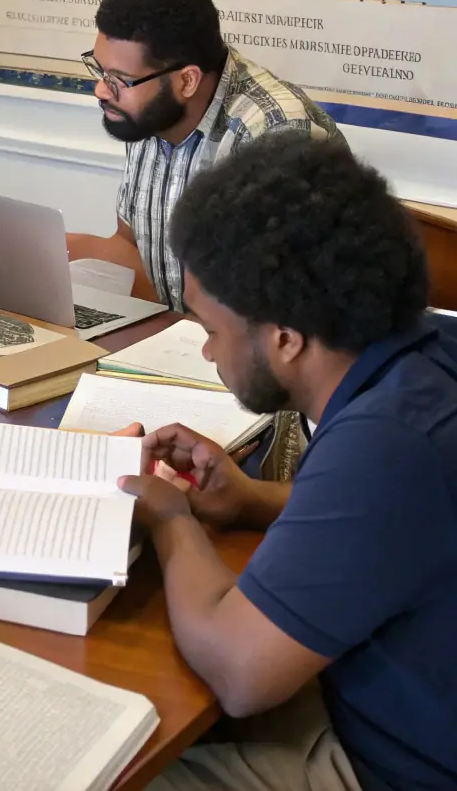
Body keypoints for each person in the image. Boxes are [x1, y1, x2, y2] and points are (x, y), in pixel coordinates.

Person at [117, 135, 457, 791]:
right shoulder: (428, 353)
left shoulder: (386, 443)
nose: (208, 351)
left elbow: (238, 670)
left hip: (395, 764)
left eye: (211, 329)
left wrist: (170, 518)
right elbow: (394, 525)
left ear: (284, 338)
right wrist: (249, 499)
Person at [70, 0, 341, 310]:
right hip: (184, 336)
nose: (101, 90)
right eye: (100, 71)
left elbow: (280, 310)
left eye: (119, 79)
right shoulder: (148, 112)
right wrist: (55, 252)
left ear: (187, 81)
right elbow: (132, 246)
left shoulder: (276, 133)